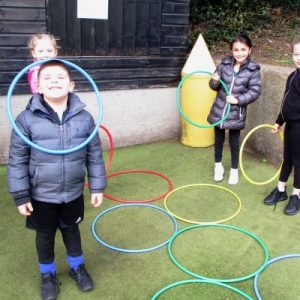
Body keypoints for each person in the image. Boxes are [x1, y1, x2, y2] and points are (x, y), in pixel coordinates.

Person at [7, 60, 107, 300]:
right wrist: (21, 194)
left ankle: (77, 268)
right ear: (38, 86)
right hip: (41, 194)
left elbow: (94, 154)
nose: (54, 81)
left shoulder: (84, 118)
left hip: (72, 191)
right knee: (44, 235)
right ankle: (47, 275)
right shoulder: (26, 119)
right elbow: (17, 159)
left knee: (71, 230)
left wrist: (97, 186)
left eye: (60, 77)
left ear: (71, 85)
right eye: (48, 78)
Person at [207, 33, 262, 185]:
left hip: (236, 113)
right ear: (231, 50)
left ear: (250, 50)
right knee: (218, 140)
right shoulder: (224, 65)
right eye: (236, 50)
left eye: (243, 49)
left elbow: (255, 91)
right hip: (219, 110)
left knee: (234, 142)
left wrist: (238, 100)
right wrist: (214, 81)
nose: (239, 53)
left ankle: (234, 170)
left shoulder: (253, 70)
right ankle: (218, 166)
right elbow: (213, 86)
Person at [263, 41, 300, 215]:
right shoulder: (292, 75)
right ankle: (281, 190)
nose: (298, 58)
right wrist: (279, 121)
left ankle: (297, 195)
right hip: (290, 126)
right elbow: (286, 103)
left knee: (298, 162)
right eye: (296, 54)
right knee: (287, 159)